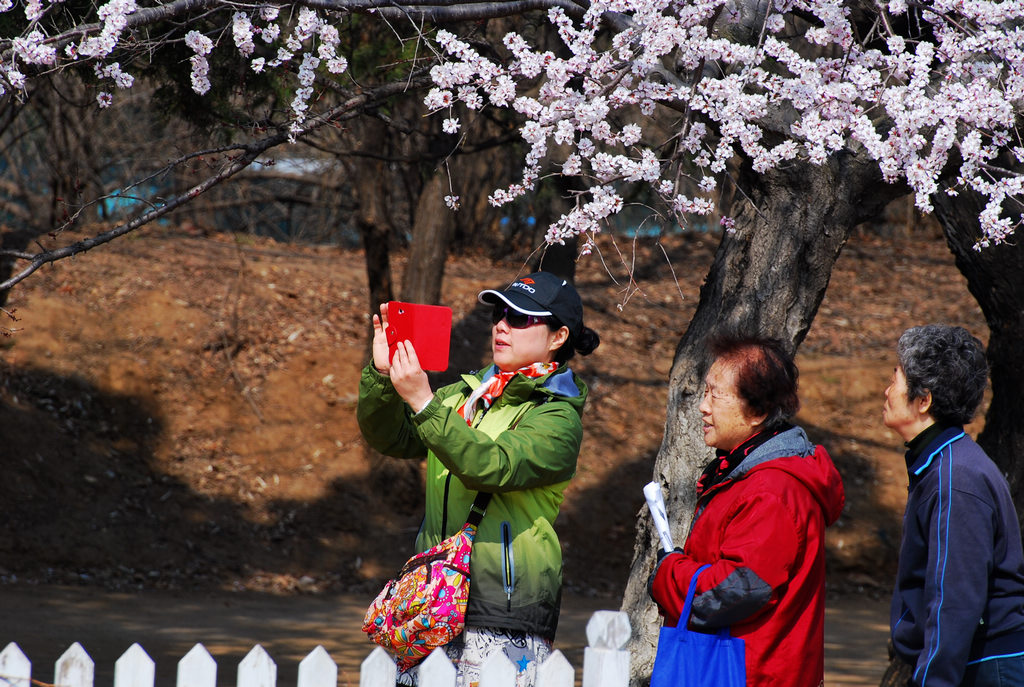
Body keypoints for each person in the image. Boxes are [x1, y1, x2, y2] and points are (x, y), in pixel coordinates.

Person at [356, 271, 600, 687]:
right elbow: (392, 436)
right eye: (500, 312)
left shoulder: (557, 417)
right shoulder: (464, 395)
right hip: (433, 599)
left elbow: (494, 464)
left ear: (558, 337)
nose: (502, 324)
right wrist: (383, 378)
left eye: (522, 318)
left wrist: (422, 401)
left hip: (503, 606)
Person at [648, 333, 845, 687]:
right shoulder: (744, 475)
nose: (703, 407)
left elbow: (731, 592)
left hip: (755, 674)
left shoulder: (773, 491)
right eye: (705, 391)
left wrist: (668, 574)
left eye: (716, 395)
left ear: (757, 412)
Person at [880, 324, 1024, 687]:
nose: (886, 390)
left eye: (895, 378)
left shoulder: (956, 478)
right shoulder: (943, 462)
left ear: (923, 400)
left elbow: (954, 601)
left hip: (986, 666)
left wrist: (932, 680)